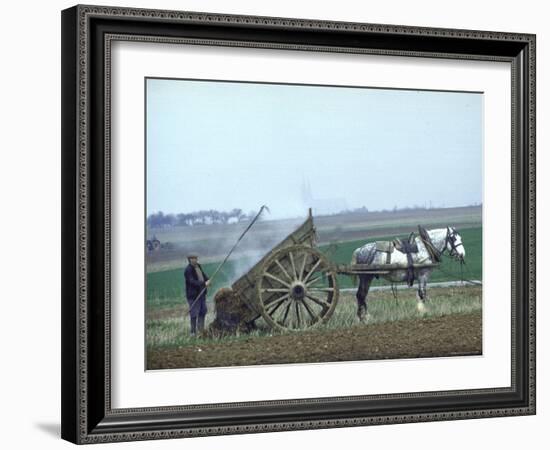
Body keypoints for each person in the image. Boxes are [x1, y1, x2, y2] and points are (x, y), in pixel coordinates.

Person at [184, 254, 210, 336]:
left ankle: (201, 330)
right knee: (194, 313)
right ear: (189, 259)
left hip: (201, 293)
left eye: (196, 258)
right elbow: (192, 281)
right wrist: (204, 283)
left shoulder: (198, 266)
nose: (195, 260)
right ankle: (193, 332)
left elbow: (203, 275)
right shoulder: (188, 270)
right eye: (193, 258)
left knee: (203, 311)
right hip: (193, 295)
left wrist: (208, 280)